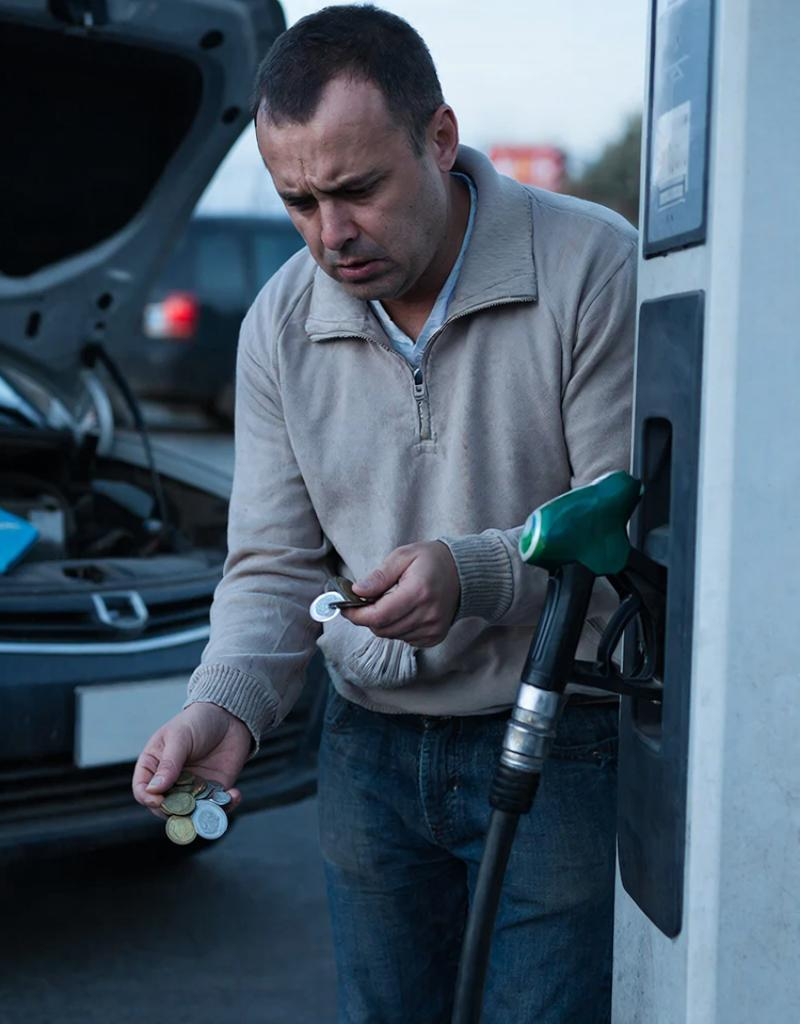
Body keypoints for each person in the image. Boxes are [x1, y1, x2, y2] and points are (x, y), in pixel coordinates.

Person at [133, 6, 636, 1022]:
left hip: (561, 741)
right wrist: (224, 699)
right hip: (363, 750)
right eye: (298, 201)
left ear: (439, 140)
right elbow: (273, 561)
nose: (331, 233)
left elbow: (623, 526)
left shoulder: (593, 267)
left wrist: (472, 573)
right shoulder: (278, 320)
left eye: (357, 187)